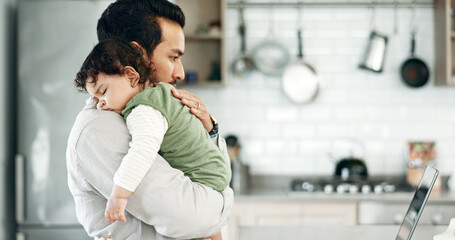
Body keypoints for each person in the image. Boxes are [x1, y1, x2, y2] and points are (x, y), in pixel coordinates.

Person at [66, 0, 234, 239]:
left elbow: (202, 172)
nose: (181, 73)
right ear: (139, 55)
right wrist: (225, 198)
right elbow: (194, 219)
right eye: (173, 57)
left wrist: (209, 129)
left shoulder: (153, 107)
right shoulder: (100, 129)